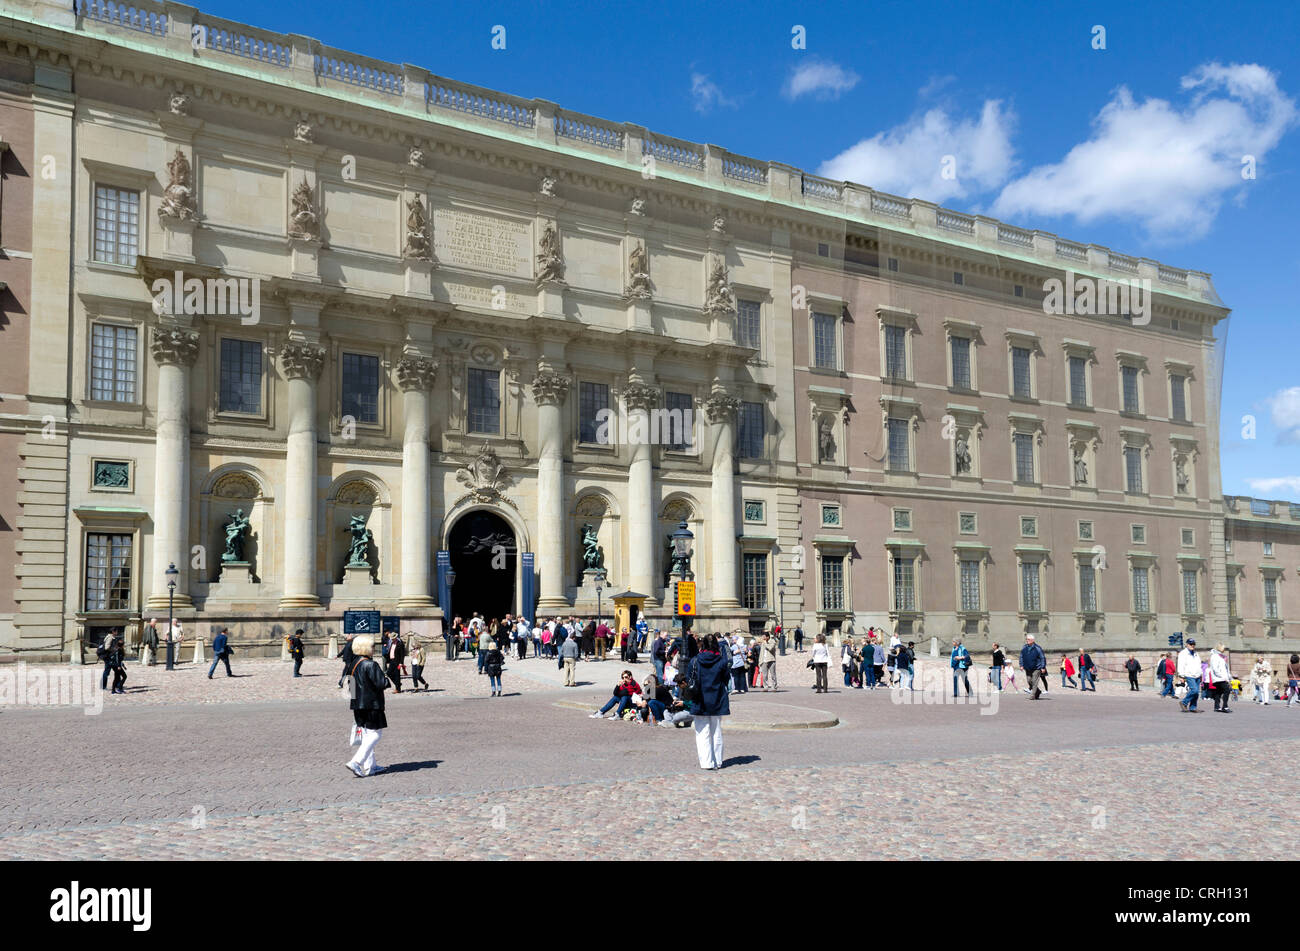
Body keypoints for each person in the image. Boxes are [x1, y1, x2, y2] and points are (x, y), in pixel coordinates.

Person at [346, 635, 387, 777]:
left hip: (358, 704)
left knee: (366, 735)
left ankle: (371, 766)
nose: (374, 648)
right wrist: (386, 679)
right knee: (375, 734)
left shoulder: (353, 663)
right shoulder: (371, 664)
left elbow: (351, 685)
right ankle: (356, 761)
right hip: (372, 704)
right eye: (372, 646)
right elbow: (382, 683)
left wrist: (355, 702)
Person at [688, 634, 731, 770]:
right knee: (716, 731)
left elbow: (690, 678)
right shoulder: (721, 661)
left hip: (700, 699)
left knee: (702, 733)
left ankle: (707, 762)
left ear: (703, 645)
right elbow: (726, 680)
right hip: (717, 699)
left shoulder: (695, 661)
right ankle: (717, 760)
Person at [1177, 638, 1203, 713]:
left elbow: (1199, 664)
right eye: (1190, 644)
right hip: (1189, 674)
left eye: (1193, 644)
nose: (1192, 645)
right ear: (1187, 644)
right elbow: (1181, 665)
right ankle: (1184, 702)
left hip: (1197, 675)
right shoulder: (1183, 653)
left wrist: (1200, 674)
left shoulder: (1196, 653)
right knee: (1194, 690)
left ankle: (1193, 707)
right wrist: (1181, 676)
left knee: (1196, 692)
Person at [1020, 634, 1047, 699]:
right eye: (1026, 639)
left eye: (1028, 639)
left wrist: (1043, 667)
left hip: (1036, 668)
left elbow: (1042, 658)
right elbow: (1021, 656)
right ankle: (1038, 691)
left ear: (1032, 640)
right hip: (1027, 667)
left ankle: (1032, 695)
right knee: (1029, 681)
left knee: (1035, 681)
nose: (1027, 640)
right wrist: (1021, 665)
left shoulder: (1037, 648)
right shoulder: (1024, 647)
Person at [1208, 644, 1232, 713]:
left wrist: (1229, 677)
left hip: (1221, 677)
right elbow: (1215, 668)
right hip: (1219, 678)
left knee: (1218, 692)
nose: (1224, 649)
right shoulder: (1215, 656)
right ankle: (1225, 706)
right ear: (1220, 648)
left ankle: (1217, 707)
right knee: (1227, 690)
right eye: (1223, 648)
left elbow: (1225, 668)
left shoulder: (1220, 656)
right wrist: (1223, 677)